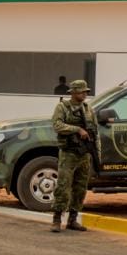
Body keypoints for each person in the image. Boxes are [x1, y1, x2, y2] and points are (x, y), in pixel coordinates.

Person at [50, 79, 96, 233]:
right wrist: (76, 129)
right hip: (68, 153)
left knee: (80, 187)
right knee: (63, 186)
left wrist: (96, 153)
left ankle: (73, 219)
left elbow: (94, 132)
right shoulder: (63, 107)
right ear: (74, 92)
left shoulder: (88, 109)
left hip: (84, 154)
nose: (85, 94)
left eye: (86, 92)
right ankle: (57, 219)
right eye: (82, 91)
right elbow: (57, 125)